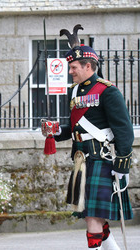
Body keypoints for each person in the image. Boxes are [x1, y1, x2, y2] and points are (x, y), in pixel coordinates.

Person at [47, 25, 134, 250]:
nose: (70, 71)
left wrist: (122, 165)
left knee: (93, 217)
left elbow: (124, 130)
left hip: (101, 160)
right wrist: (57, 132)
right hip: (81, 160)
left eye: (74, 67)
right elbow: (75, 127)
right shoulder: (74, 92)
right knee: (92, 215)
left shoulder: (108, 91)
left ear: (88, 66)